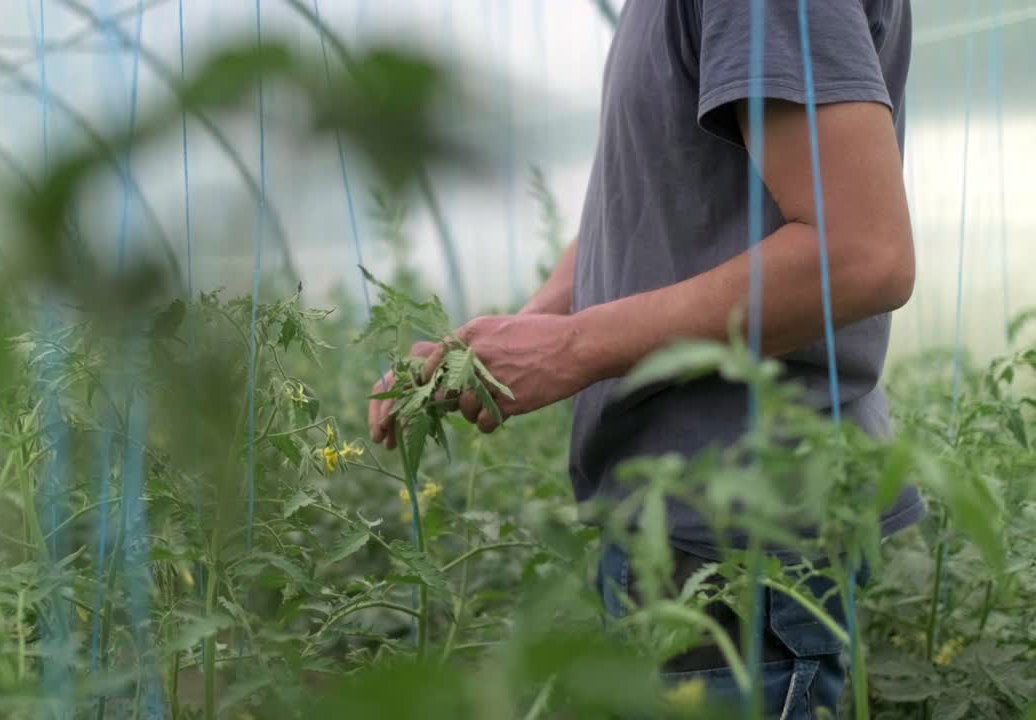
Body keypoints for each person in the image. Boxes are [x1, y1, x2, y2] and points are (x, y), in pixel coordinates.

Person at [367, 1, 925, 717]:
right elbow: (655, 206)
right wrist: (506, 340)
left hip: (740, 535)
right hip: (673, 520)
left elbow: (862, 256)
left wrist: (574, 346)